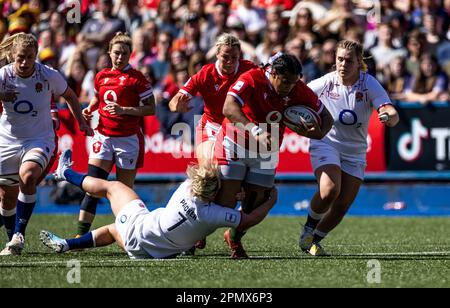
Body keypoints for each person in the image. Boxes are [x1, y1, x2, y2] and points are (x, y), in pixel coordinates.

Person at [40, 149, 277, 259]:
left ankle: (65, 173)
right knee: (112, 230)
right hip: (150, 253)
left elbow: (203, 178)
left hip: (140, 230)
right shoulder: (212, 214)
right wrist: (270, 200)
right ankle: (67, 244)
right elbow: (248, 219)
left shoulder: (186, 189)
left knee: (112, 188)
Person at [214, 52, 333, 258]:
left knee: (257, 202)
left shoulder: (298, 89)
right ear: (273, 73)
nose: (289, 87)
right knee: (226, 201)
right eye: (286, 81)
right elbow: (228, 107)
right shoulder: (252, 78)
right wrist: (255, 130)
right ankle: (194, 233)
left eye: (294, 82)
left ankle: (233, 238)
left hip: (266, 150)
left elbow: (326, 117)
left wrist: (317, 133)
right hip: (235, 142)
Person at [299, 40, 399, 256]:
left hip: (355, 150)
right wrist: (300, 118)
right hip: (326, 142)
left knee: (342, 205)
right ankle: (307, 228)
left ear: (359, 62)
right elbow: (298, 96)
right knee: (330, 190)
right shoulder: (327, 82)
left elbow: (391, 111)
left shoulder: (368, 83)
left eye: (349, 60)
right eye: (339, 59)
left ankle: (313, 241)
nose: (343, 64)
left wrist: (388, 116)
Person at [0, 33, 93, 256]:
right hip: (8, 140)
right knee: (6, 196)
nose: (24, 62)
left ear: (36, 56)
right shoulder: (3, 76)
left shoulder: (48, 75)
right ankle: (12, 241)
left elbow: (70, 95)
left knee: (28, 175)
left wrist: (81, 122)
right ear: (13, 55)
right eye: (20, 57)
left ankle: (19, 234)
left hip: (39, 138)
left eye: (29, 57)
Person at [168, 33, 257, 252]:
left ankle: (228, 234)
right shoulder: (205, 74)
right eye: (225, 56)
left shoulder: (249, 69)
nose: (229, 62)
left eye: (234, 57)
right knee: (208, 175)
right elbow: (175, 100)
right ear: (217, 54)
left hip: (237, 128)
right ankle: (193, 231)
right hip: (211, 127)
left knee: (247, 188)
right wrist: (176, 105)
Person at [76, 32, 155, 237]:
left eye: (125, 54)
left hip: (127, 140)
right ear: (110, 53)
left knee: (123, 192)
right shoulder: (101, 76)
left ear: (131, 55)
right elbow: (97, 98)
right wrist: (90, 109)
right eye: (117, 53)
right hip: (103, 136)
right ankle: (79, 236)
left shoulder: (137, 79)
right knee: (92, 187)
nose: (120, 58)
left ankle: (127, 234)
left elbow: (150, 109)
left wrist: (124, 110)